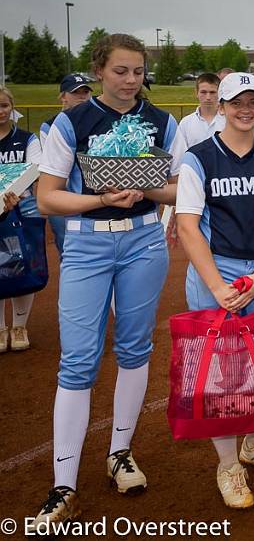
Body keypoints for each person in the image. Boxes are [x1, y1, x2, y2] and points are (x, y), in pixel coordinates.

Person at [32, 33, 185, 529]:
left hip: (143, 240)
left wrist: (146, 189)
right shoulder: (72, 121)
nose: (131, 80)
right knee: (78, 359)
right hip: (87, 242)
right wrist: (102, 197)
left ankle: (120, 451)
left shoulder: (162, 121)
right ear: (99, 69)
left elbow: (182, 185)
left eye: (138, 71)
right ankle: (64, 484)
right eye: (121, 71)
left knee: (135, 348)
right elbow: (48, 198)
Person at [176, 73, 254, 509]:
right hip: (217, 272)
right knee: (220, 373)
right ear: (222, 106)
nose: (245, 109)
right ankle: (229, 464)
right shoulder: (199, 157)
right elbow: (188, 227)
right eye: (236, 102)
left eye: (253, 102)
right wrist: (218, 287)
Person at [0, 86, 43, 352]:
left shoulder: (27, 139)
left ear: (11, 107)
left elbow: (35, 168)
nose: (0, 112)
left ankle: (19, 326)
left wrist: (12, 192)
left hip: (22, 209)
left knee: (20, 265)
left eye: (4, 105)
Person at [165, 73, 223, 247]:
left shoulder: (228, 120)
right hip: (196, 184)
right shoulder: (186, 123)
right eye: (204, 92)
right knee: (195, 235)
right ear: (196, 93)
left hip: (222, 183)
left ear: (219, 93)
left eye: (213, 92)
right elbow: (180, 162)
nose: (208, 97)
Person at [38, 75, 92, 257]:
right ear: (63, 97)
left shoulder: (97, 121)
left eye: (86, 92)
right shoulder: (49, 126)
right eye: (76, 93)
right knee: (66, 247)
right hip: (63, 195)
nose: (82, 97)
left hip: (90, 194)